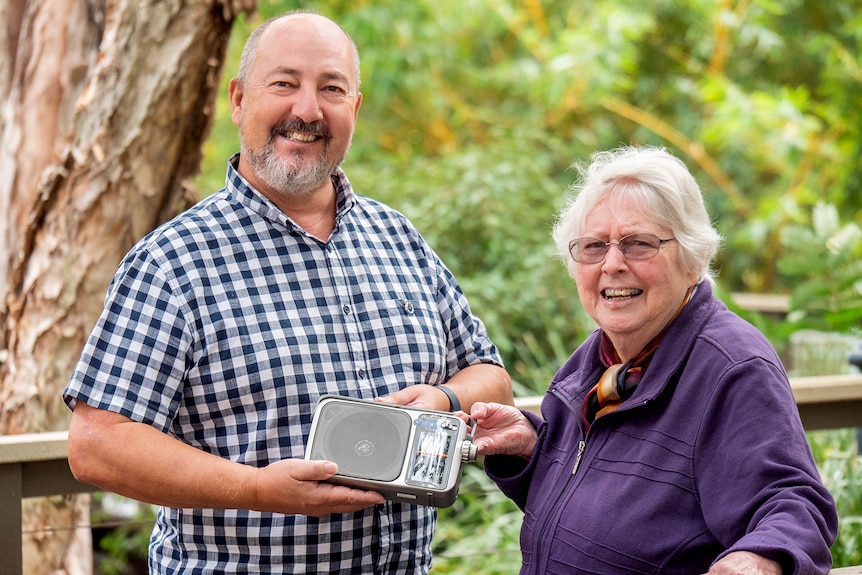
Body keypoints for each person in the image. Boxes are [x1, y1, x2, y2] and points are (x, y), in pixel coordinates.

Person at [63, 10, 512, 574]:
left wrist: (444, 400)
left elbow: (490, 376)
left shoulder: (397, 237)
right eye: (284, 84)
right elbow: (97, 443)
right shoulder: (172, 262)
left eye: (331, 89)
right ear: (238, 99)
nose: (307, 110)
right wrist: (256, 489)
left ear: (355, 108)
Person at [467, 146, 838, 574]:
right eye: (593, 246)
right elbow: (599, 500)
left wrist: (758, 559)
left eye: (638, 244)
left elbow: (792, 503)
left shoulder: (731, 368)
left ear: (693, 258)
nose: (612, 264)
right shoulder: (596, 363)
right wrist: (533, 450)